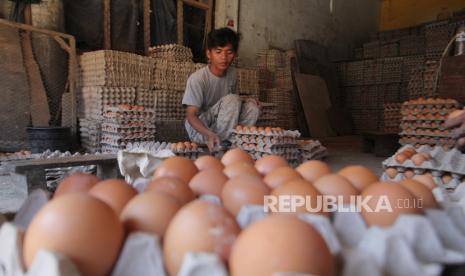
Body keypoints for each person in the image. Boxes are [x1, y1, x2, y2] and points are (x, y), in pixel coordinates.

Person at [182, 27, 260, 151]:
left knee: (252, 108)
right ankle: (221, 145)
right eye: (218, 52)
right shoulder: (198, 79)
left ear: (234, 54)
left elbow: (233, 106)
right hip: (201, 130)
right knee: (233, 99)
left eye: (229, 52)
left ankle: (231, 142)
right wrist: (209, 134)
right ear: (209, 54)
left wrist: (248, 100)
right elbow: (191, 116)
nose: (224, 57)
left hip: (222, 126)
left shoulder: (232, 74)